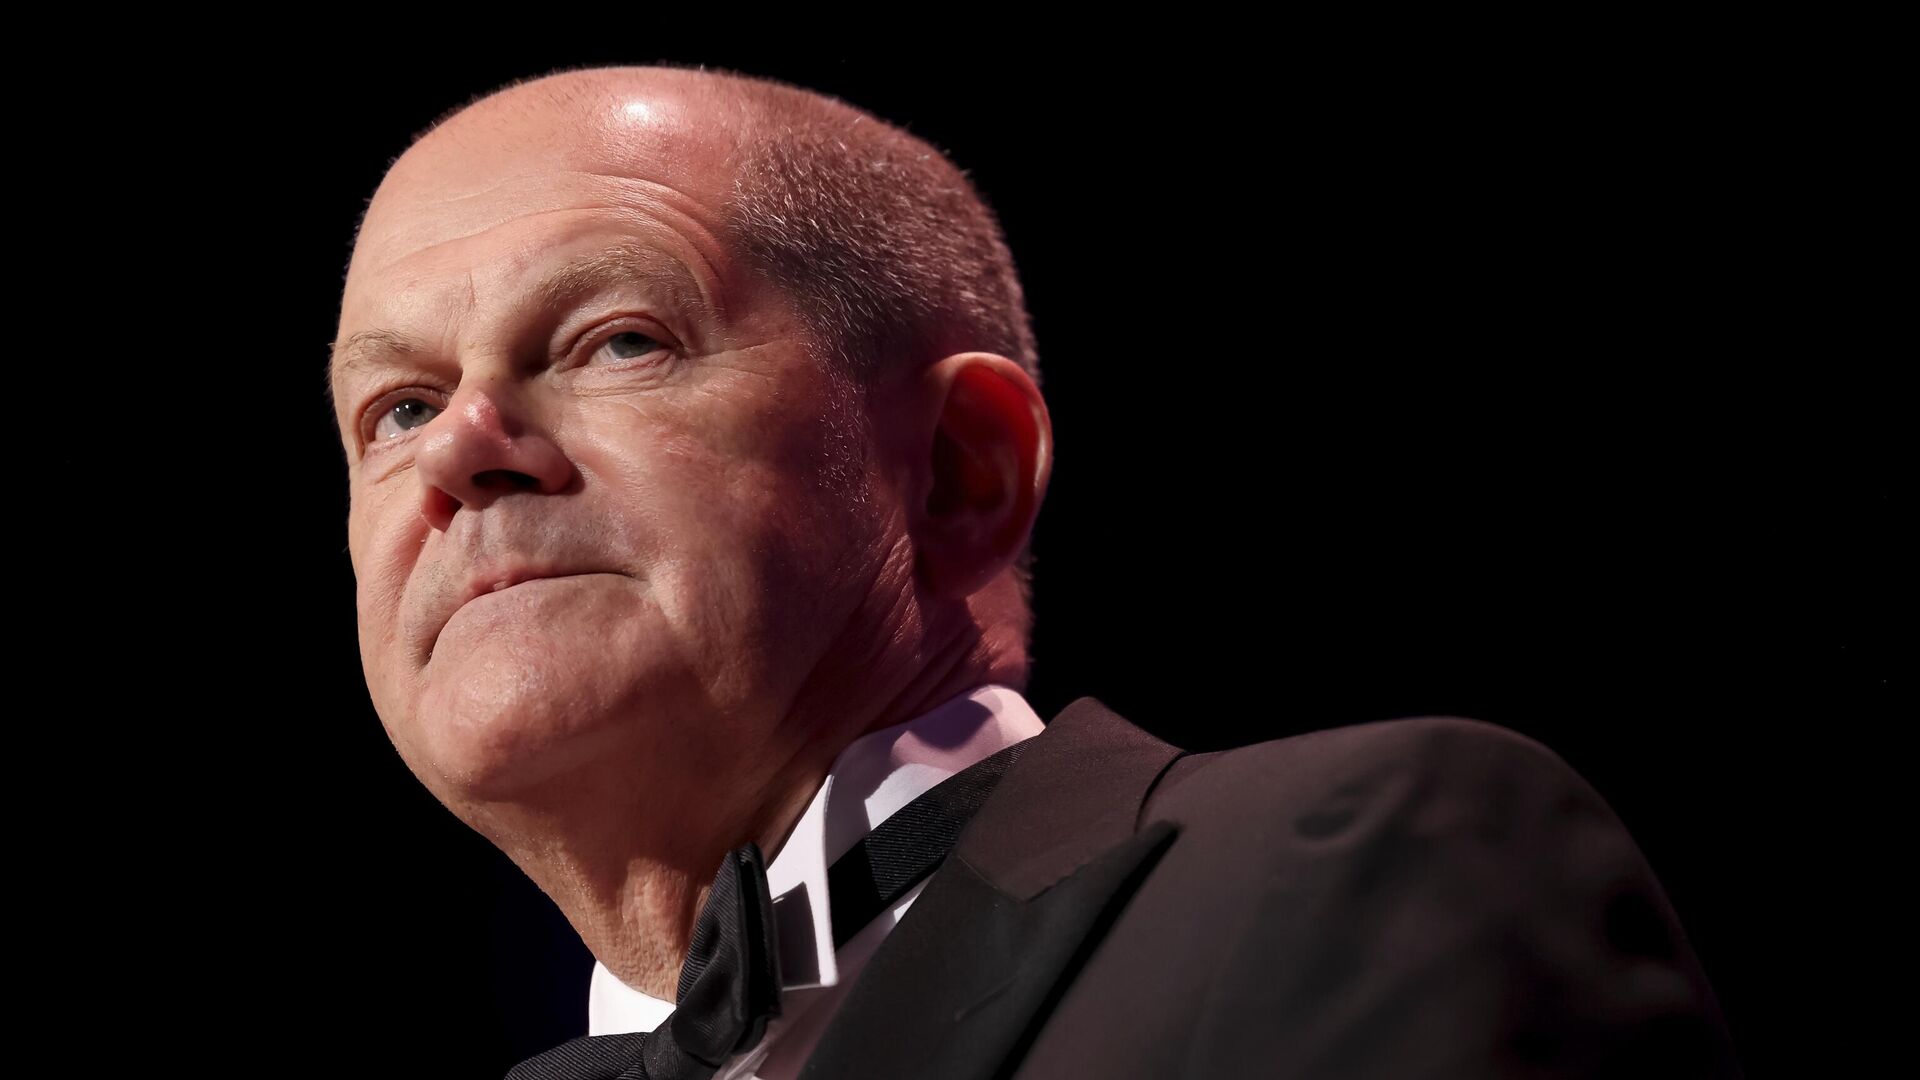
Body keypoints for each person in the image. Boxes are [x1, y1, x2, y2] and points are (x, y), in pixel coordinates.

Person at [328, 62, 1744, 1079]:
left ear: (963, 470)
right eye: (395, 408)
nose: (459, 447)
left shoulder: (1341, 870)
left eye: (619, 340)